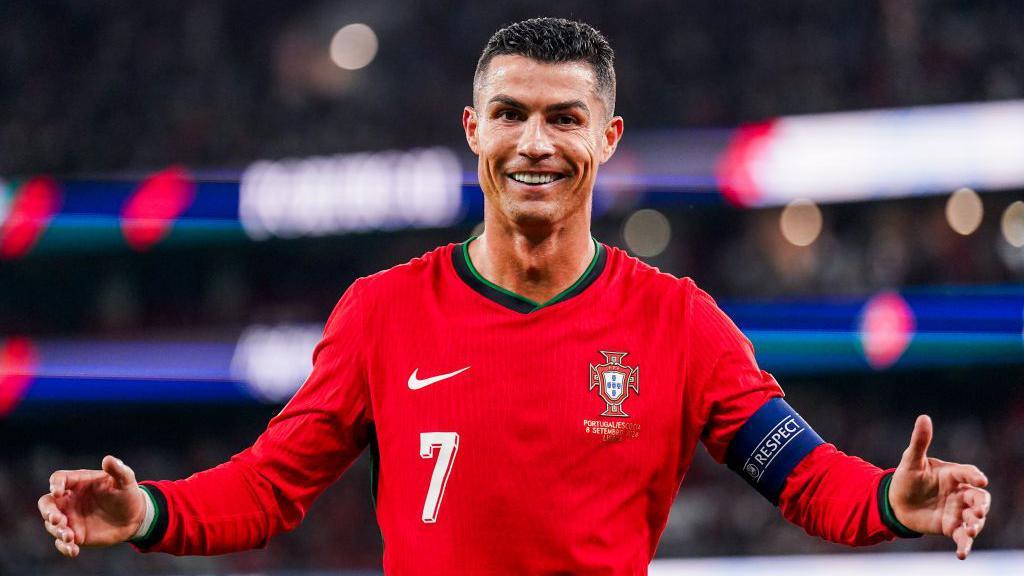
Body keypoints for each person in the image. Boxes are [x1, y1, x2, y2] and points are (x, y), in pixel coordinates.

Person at [38, 18, 990, 574]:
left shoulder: (680, 323)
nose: (535, 142)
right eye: (511, 114)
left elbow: (801, 474)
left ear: (608, 137)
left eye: (564, 117)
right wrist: (153, 512)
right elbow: (272, 484)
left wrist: (888, 501)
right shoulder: (381, 311)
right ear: (472, 128)